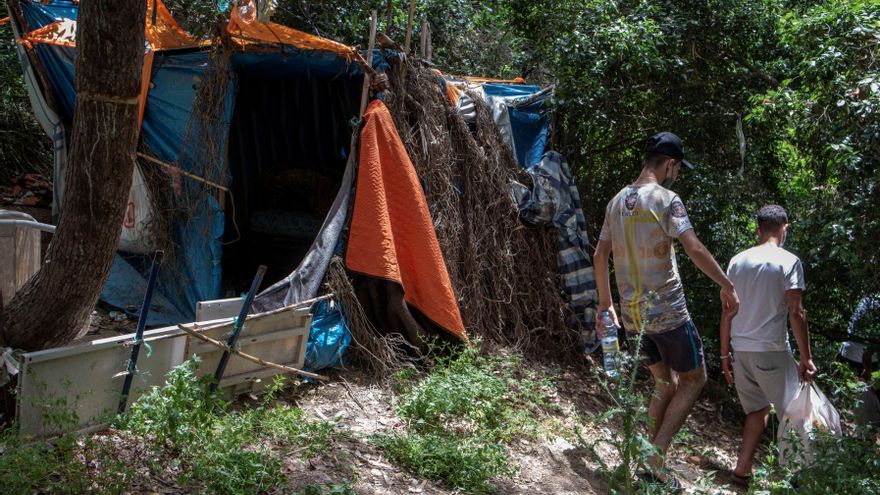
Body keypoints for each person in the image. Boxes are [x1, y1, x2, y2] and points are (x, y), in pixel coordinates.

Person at [594, 131, 740, 490]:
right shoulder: (667, 198)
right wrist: (727, 284)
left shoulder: (616, 201)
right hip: (668, 312)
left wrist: (606, 305)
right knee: (695, 379)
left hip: (631, 315)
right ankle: (655, 460)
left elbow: (600, 255)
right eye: (677, 168)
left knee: (664, 381)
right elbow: (692, 247)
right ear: (670, 164)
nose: (677, 173)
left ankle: (645, 460)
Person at [719, 204, 817, 486]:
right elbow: (797, 312)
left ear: (758, 229)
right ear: (784, 229)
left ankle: (741, 472)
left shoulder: (737, 261)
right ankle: (797, 483)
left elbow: (726, 311)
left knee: (757, 411)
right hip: (771, 351)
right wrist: (805, 357)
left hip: (742, 351)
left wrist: (725, 353)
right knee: (793, 414)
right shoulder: (789, 261)